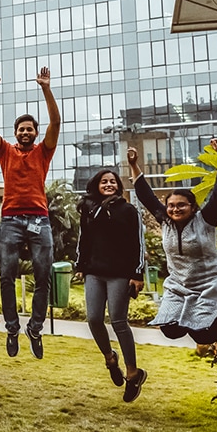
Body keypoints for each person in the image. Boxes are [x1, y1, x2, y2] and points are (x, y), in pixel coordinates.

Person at [0, 67, 61, 360]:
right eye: (21, 129)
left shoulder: (44, 151)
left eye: (30, 129)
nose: (26, 132)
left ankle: (35, 329)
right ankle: (13, 328)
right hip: (12, 219)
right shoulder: (5, 152)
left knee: (43, 276)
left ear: (35, 134)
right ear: (16, 133)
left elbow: (55, 121)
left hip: (39, 219)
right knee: (6, 275)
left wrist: (46, 88)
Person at [127, 139, 217, 345]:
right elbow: (145, 195)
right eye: (171, 205)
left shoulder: (206, 219)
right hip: (179, 286)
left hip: (209, 285)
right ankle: (194, 317)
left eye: (181, 205)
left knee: (205, 335)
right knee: (170, 331)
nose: (175, 209)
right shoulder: (165, 221)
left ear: (193, 207)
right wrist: (133, 165)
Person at [75, 169, 147, 402]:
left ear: (119, 186)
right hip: (95, 272)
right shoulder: (88, 208)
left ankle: (133, 372)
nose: (108, 184)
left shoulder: (128, 210)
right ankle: (109, 358)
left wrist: (137, 274)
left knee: (118, 320)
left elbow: (139, 242)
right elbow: (83, 238)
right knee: (94, 319)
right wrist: (80, 265)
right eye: (104, 181)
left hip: (120, 274)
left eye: (113, 181)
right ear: (96, 185)